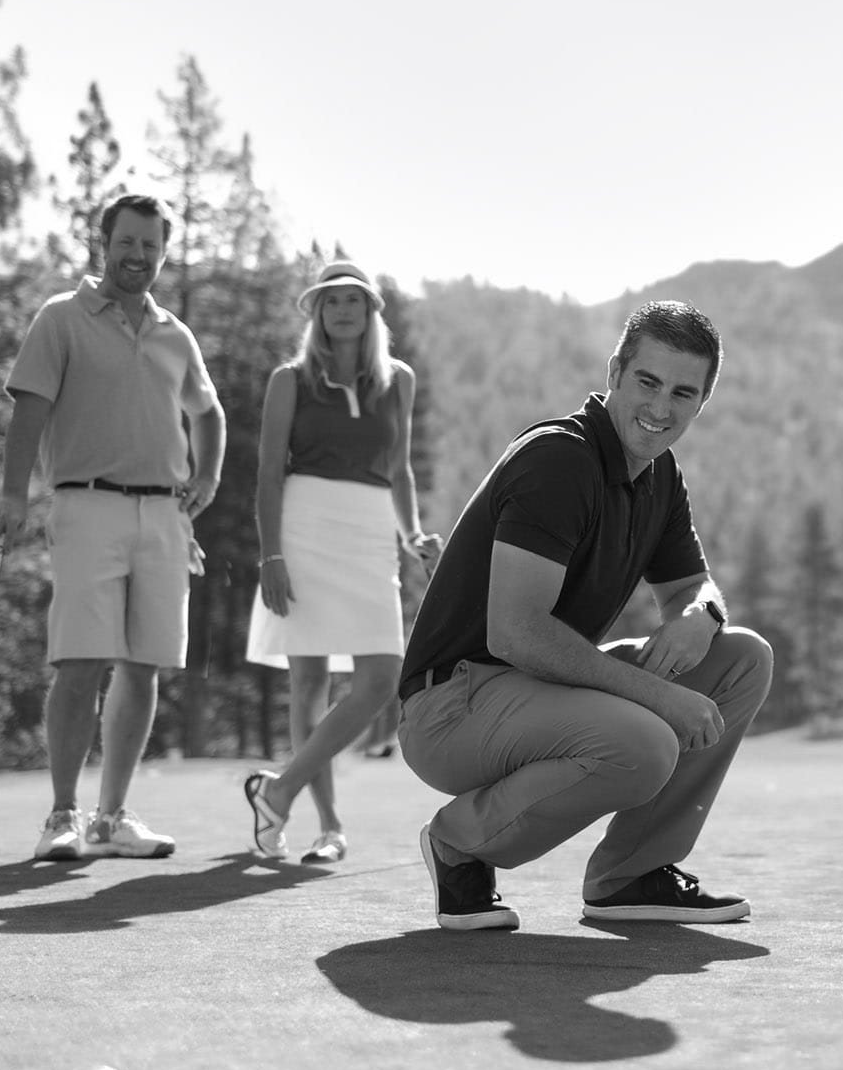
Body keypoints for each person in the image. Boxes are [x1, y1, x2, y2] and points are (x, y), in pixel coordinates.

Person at [396, 300, 773, 931]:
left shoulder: (658, 473)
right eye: (647, 382)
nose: (661, 408)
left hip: (537, 690)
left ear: (702, 404)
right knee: (646, 745)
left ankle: (629, 874)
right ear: (615, 371)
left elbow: (691, 583)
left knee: (741, 658)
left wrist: (702, 615)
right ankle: (458, 843)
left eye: (683, 393)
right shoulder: (560, 459)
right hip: (450, 707)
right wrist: (659, 696)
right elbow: (514, 632)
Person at [0, 193, 225, 861]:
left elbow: (208, 412)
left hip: (164, 516)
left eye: (152, 246)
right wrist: (13, 493)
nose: (139, 256)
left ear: (163, 253)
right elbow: (28, 410)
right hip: (86, 503)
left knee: (144, 666)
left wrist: (205, 478)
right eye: (128, 242)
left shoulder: (174, 333)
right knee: (81, 661)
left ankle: (111, 816)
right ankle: (61, 814)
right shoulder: (62, 317)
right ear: (105, 242)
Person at [242, 260, 441, 861]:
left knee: (382, 675)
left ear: (371, 311)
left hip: (371, 532)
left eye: (354, 300)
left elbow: (400, 469)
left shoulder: (398, 380)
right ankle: (327, 828)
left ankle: (277, 789)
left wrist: (411, 537)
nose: (343, 310)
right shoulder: (289, 380)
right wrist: (270, 554)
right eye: (332, 302)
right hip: (304, 530)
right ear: (318, 314)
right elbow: (268, 476)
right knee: (308, 683)